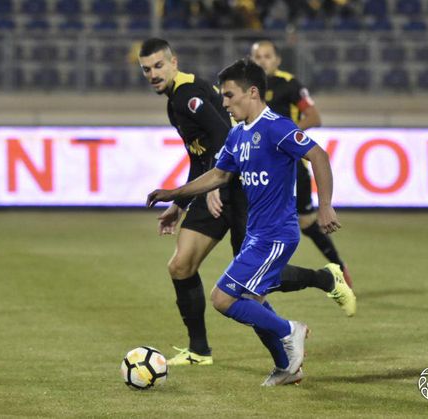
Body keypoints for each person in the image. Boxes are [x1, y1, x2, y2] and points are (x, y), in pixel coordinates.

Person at [138, 38, 355, 368]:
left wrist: (325, 205)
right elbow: (209, 164)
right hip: (230, 199)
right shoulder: (202, 115)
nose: (153, 74)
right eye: (146, 69)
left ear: (174, 62)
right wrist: (177, 198)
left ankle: (302, 315)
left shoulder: (194, 97)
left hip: (250, 207)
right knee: (197, 272)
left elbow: (225, 135)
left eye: (158, 66)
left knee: (242, 291)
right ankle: (212, 351)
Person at [250, 40, 353, 288]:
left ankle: (338, 267)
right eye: (258, 57)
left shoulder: (289, 84)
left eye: (267, 56)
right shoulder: (248, 87)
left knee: (307, 222)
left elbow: (314, 117)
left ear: (277, 60)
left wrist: (285, 135)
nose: (263, 61)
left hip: (290, 165)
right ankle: (258, 275)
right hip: (258, 166)